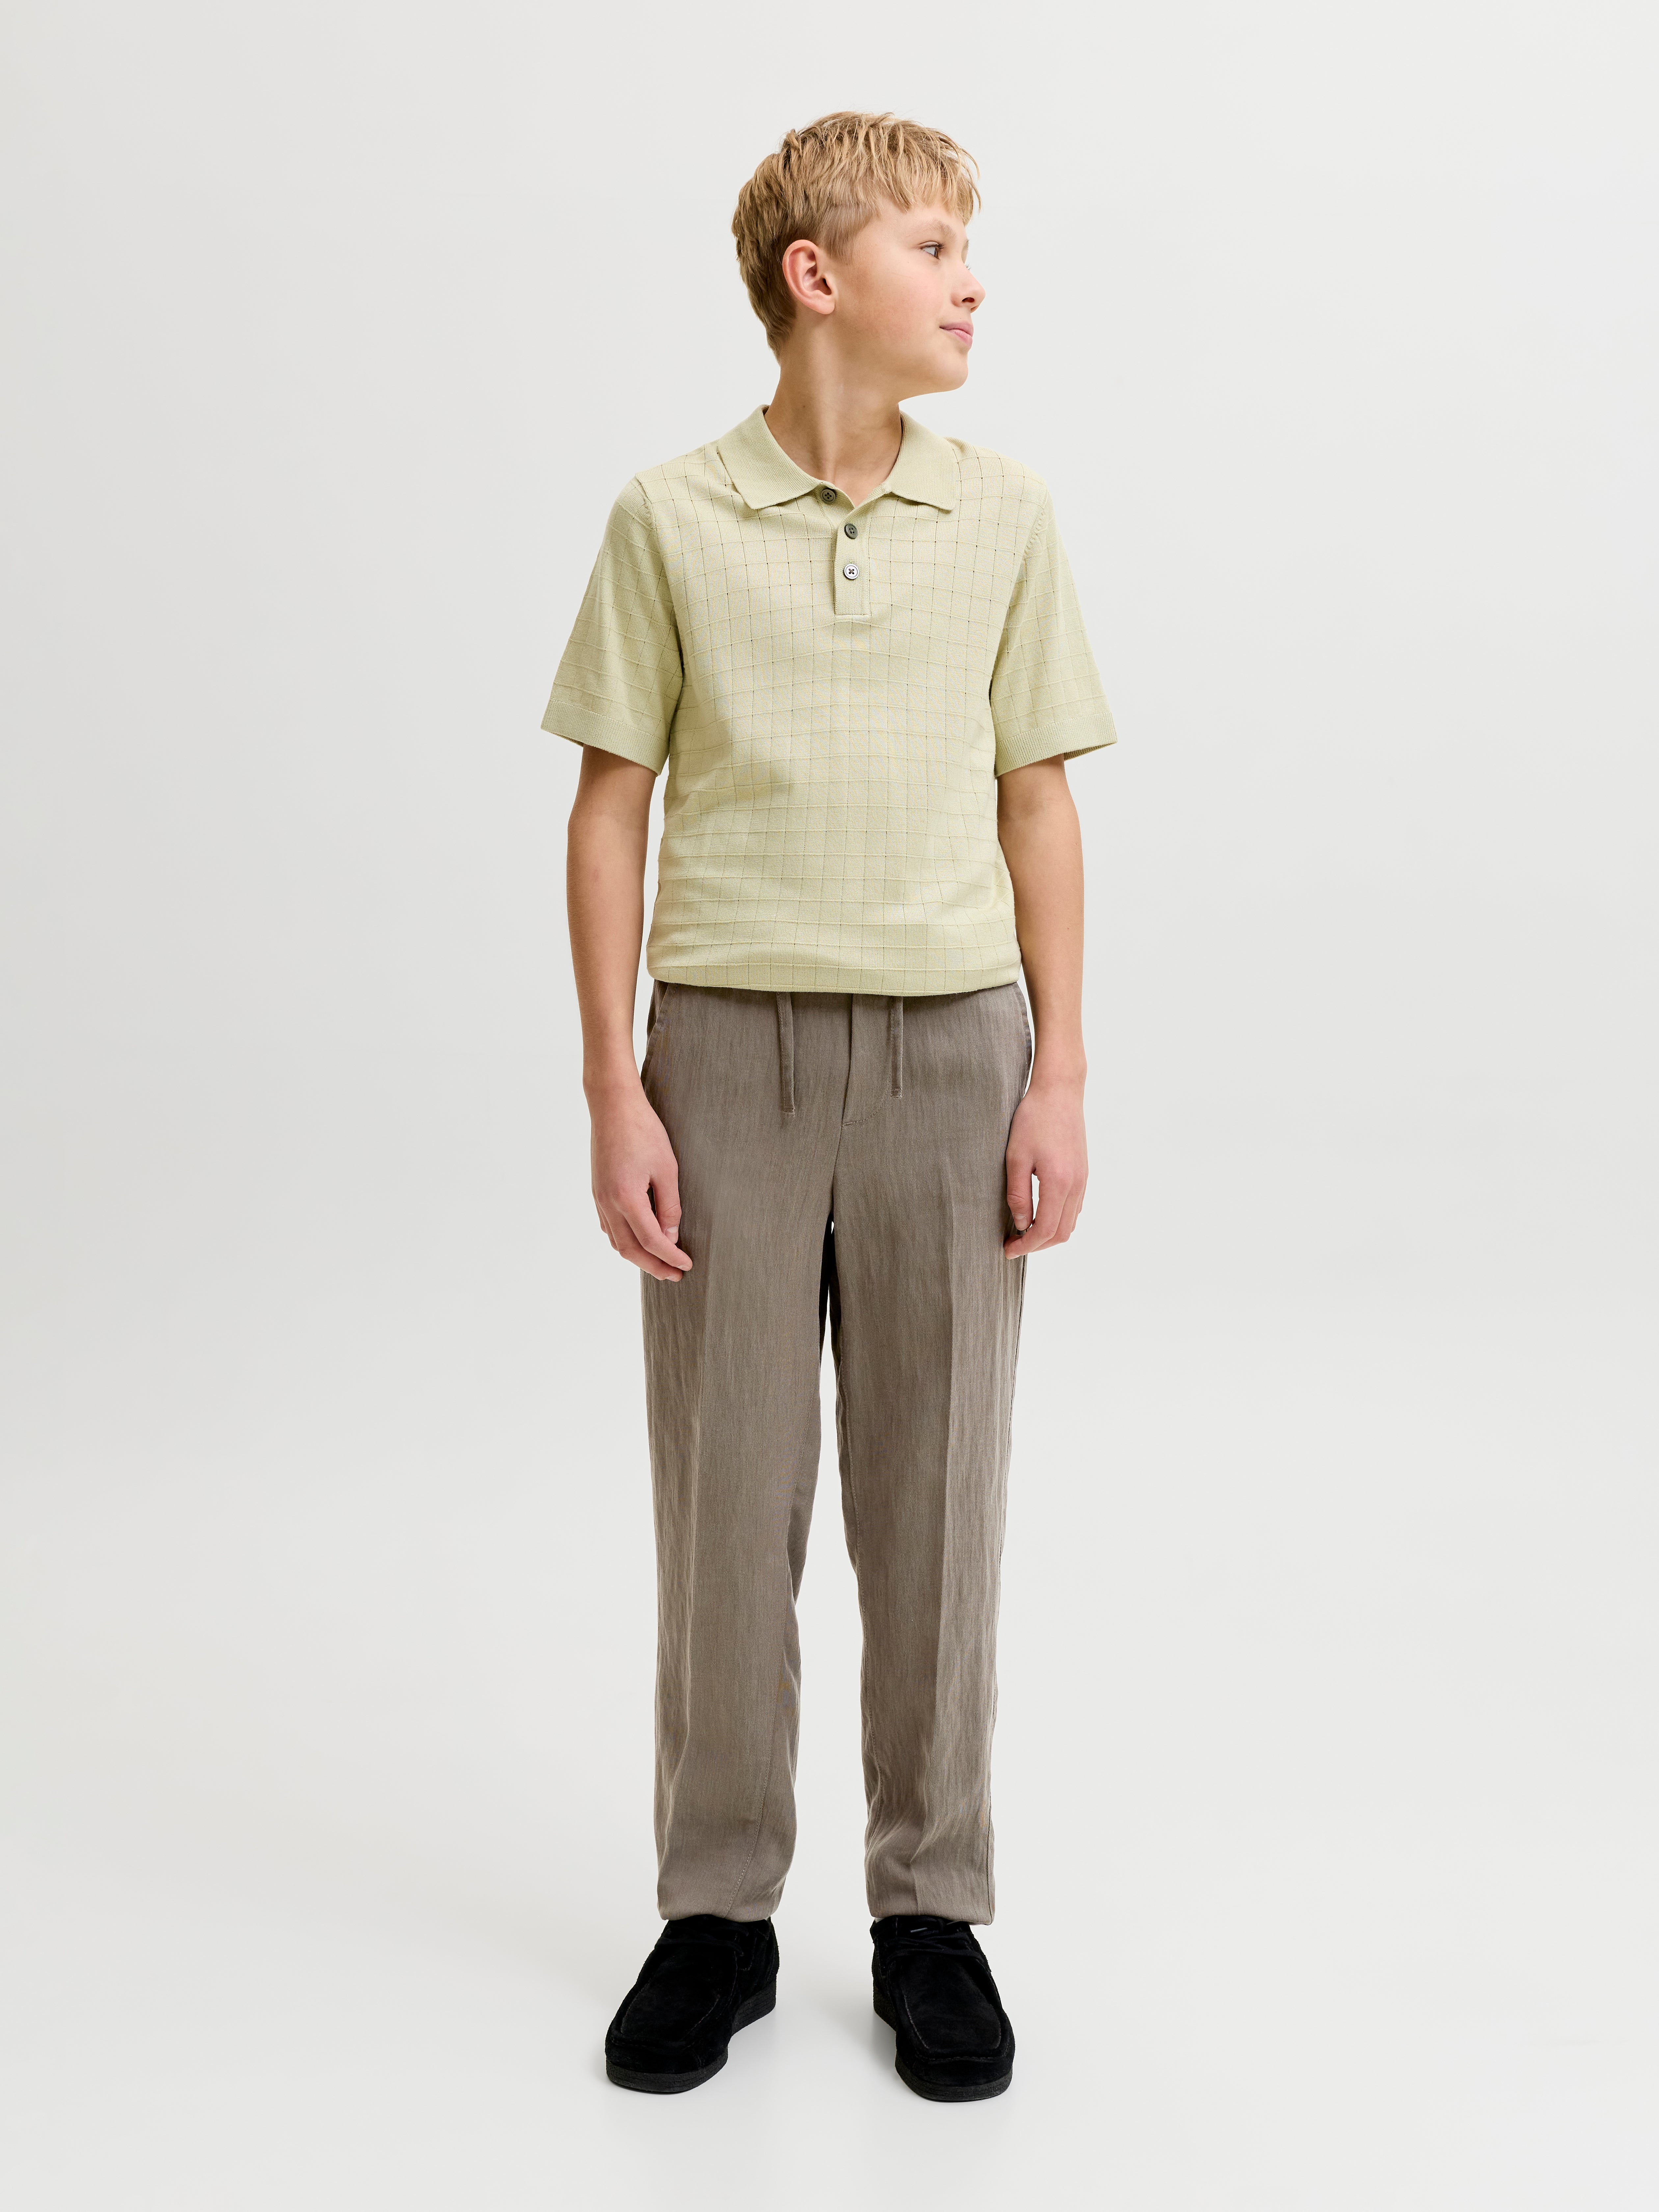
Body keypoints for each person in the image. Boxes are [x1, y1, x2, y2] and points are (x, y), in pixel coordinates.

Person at [545, 110, 1116, 2102]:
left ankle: (929, 1911)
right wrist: (614, 1083)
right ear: (818, 276)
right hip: (727, 1053)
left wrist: (1059, 1069)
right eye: (935, 246)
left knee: (937, 1494)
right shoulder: (670, 516)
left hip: (956, 1051)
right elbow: (609, 805)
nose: (971, 282)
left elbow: (1039, 799)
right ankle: (717, 1911)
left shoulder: (1005, 515)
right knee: (728, 1497)